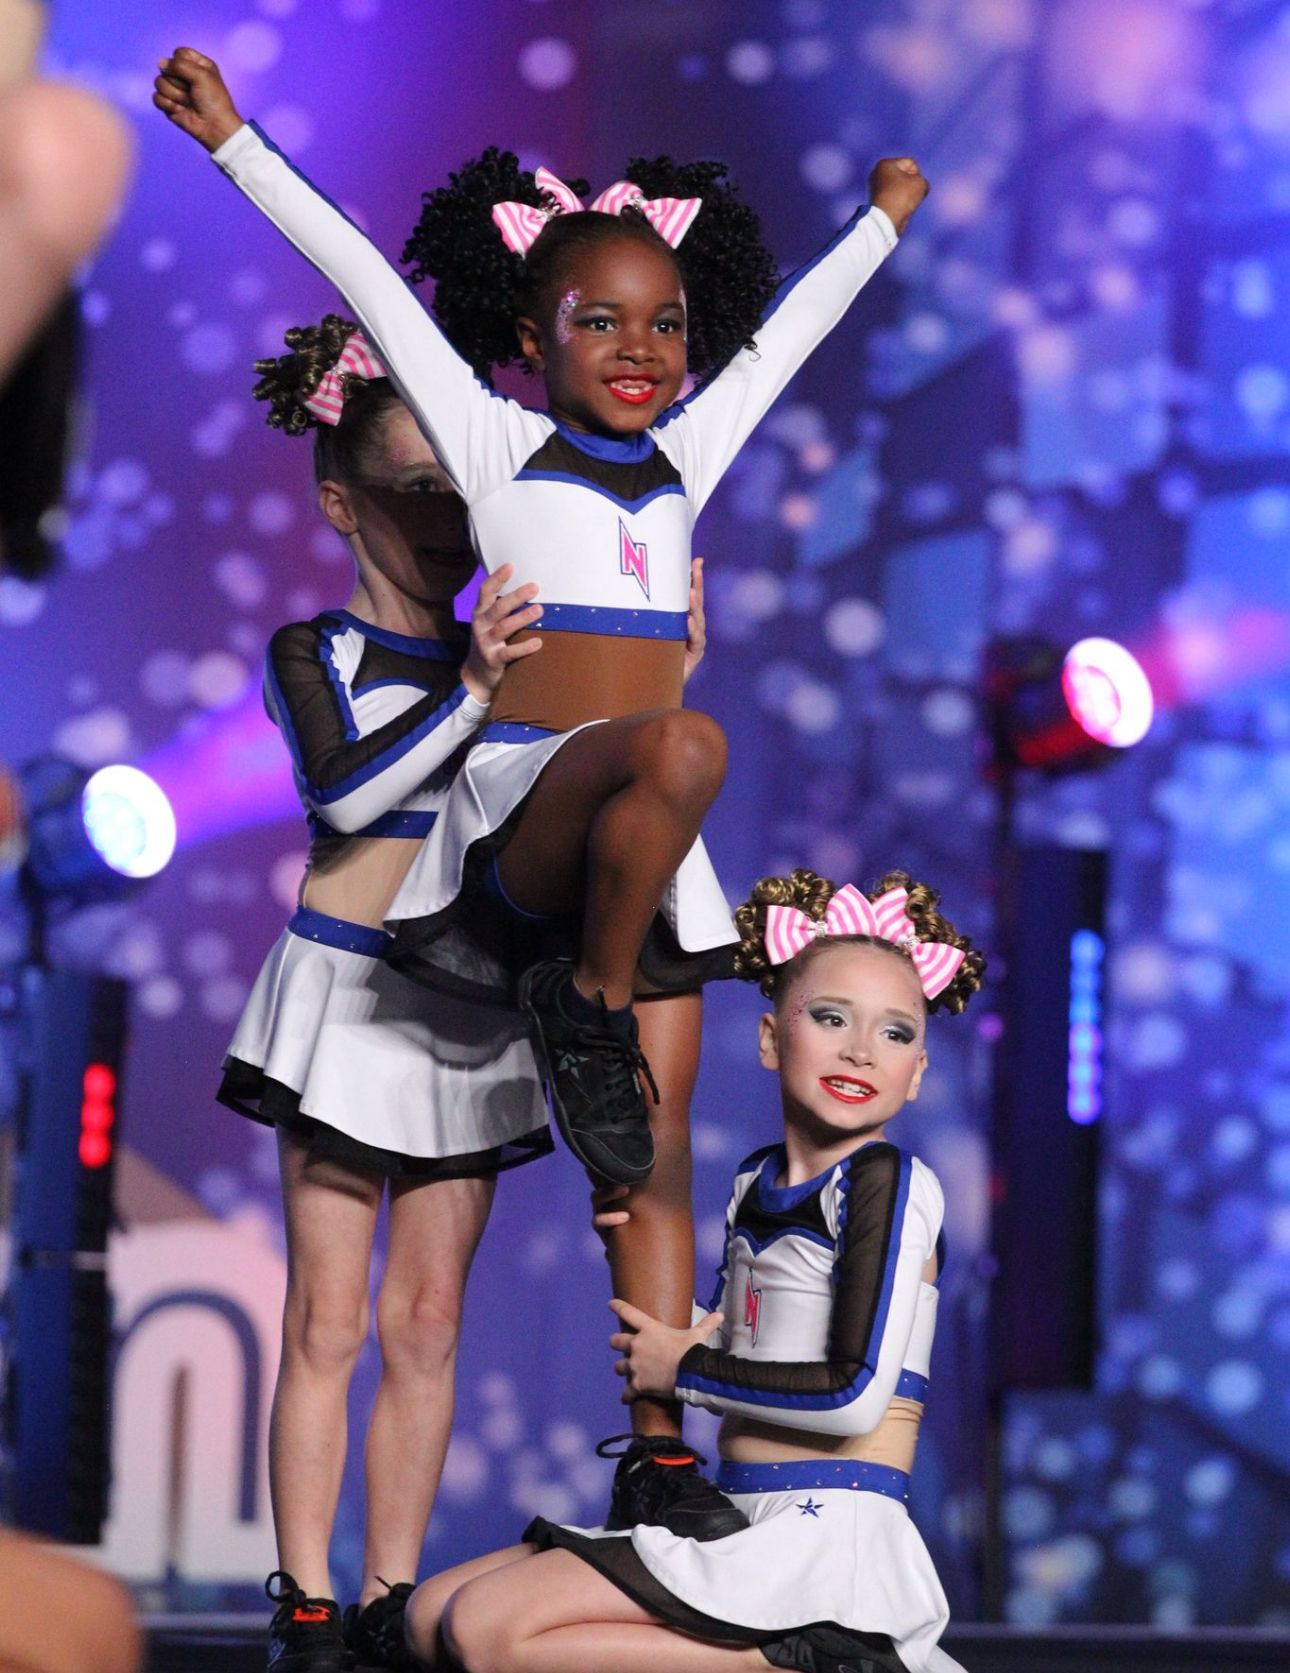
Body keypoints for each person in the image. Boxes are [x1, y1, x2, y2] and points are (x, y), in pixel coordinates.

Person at [151, 44, 930, 1541]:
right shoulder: (494, 444)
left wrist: (881, 226)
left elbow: (790, 343)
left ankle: (656, 1449)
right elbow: (364, 273)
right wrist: (236, 142)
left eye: (667, 326)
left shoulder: (687, 457)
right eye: (597, 320)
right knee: (685, 748)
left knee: (651, 1155)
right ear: (530, 335)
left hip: (642, 858)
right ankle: (578, 993)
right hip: (522, 816)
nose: (640, 349)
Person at [399, 868, 985, 1673]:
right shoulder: (755, 1180)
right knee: (431, 1615)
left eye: (895, 1032)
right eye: (830, 1016)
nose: (859, 1049)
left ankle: (808, 1660)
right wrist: (631, 1228)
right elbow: (722, 1330)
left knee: (487, 1631)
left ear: (917, 1071)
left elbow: (855, 1390)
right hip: (740, 1515)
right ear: (773, 1037)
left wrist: (687, 1368)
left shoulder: (889, 1180)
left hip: (828, 1533)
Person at [219, 316, 547, 1673]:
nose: (443, 517)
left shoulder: (515, 660)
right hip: (347, 1003)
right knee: (327, 1317)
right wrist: (471, 687)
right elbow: (346, 793)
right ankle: (302, 1598)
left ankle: (386, 1598)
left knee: (426, 1323)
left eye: (456, 488)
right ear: (342, 502)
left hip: (465, 1011)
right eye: (411, 487)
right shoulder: (317, 651)